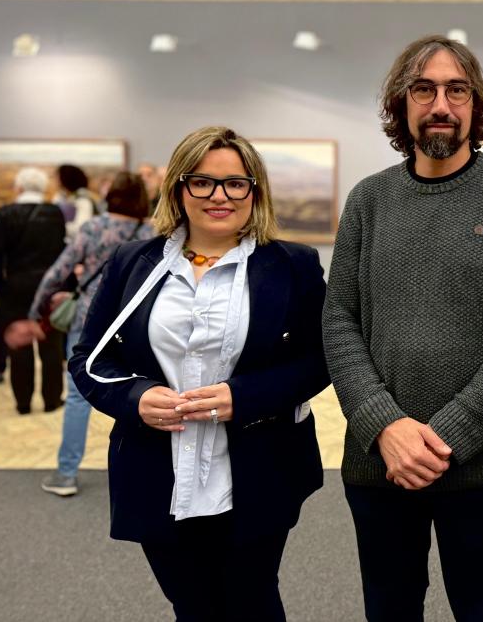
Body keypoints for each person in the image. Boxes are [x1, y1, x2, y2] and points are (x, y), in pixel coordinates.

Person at [323, 34, 483, 622]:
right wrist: (387, 427)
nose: (441, 104)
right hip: (380, 463)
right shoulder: (369, 200)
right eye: (423, 89)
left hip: (481, 467)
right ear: (401, 105)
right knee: (389, 608)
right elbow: (338, 319)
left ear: (476, 106)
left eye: (457, 90)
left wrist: (446, 437)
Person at [69, 127, 329, 620]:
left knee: (252, 600)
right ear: (179, 190)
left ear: (255, 190)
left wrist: (245, 396)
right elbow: (89, 359)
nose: (219, 196)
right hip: (155, 470)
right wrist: (135, 398)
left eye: (236, 183)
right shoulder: (133, 263)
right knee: (191, 604)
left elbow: (321, 359)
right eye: (202, 182)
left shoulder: (293, 265)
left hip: (259, 466)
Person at [5, 172, 156, 497]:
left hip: (90, 320)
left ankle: (66, 474)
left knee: (77, 396)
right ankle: (140, 475)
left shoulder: (94, 228)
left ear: (111, 194)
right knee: (141, 391)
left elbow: (57, 272)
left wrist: (34, 314)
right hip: (135, 324)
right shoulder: (149, 231)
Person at [0, 167, 66, 413]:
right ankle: (52, 400)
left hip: (15, 286)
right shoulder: (54, 213)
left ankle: (23, 403)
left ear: (18, 188)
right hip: (50, 287)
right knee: (51, 343)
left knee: (19, 344)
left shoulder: (6, 213)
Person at [54, 164, 98, 239]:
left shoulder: (83, 200)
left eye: (57, 177)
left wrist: (56, 226)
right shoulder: (59, 197)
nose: (55, 180)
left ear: (65, 178)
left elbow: (81, 228)